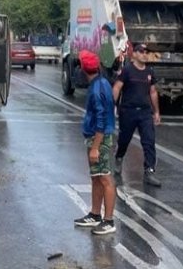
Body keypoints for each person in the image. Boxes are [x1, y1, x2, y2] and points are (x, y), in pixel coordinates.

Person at [73, 49, 117, 235]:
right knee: (96, 177)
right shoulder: (102, 83)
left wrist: (95, 148)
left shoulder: (97, 89)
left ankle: (108, 220)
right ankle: (95, 214)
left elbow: (101, 119)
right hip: (97, 137)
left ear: (83, 69)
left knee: (105, 178)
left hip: (99, 138)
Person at [113, 43, 162, 187]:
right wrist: (111, 106)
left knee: (149, 141)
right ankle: (119, 157)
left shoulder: (149, 71)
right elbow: (117, 87)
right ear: (134, 54)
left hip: (145, 113)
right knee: (124, 140)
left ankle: (149, 171)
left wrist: (156, 111)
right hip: (128, 111)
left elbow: (152, 92)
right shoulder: (127, 70)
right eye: (141, 51)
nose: (144, 54)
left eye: (146, 52)